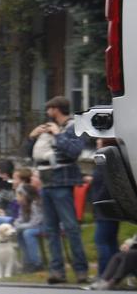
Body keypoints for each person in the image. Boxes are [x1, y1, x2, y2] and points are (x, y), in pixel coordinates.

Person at [23, 96, 89, 284]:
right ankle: (57, 271)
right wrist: (31, 137)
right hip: (46, 183)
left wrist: (58, 134)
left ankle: (81, 271)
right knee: (51, 229)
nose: (47, 113)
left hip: (62, 182)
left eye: (49, 109)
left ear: (56, 109)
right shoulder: (47, 128)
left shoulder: (73, 127)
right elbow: (30, 154)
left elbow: (74, 151)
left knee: (70, 228)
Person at [89, 138, 120, 277]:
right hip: (112, 206)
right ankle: (115, 273)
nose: (97, 143)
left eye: (99, 141)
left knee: (101, 241)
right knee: (111, 241)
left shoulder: (104, 161)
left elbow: (106, 184)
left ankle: (104, 274)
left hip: (104, 206)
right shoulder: (113, 161)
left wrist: (97, 200)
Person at [13, 184, 44, 273]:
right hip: (33, 226)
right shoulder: (23, 204)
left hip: (44, 225)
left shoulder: (35, 203)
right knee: (20, 232)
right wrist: (17, 223)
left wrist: (19, 227)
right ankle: (27, 262)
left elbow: (35, 222)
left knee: (28, 233)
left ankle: (37, 263)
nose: (17, 198)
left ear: (25, 195)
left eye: (18, 195)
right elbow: (21, 218)